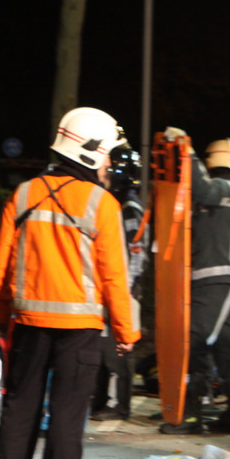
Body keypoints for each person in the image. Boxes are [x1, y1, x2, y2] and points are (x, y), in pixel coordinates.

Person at [0, 107, 139, 459]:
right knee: (67, 418)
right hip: (80, 331)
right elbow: (114, 276)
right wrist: (126, 331)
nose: (109, 163)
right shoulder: (102, 204)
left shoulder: (22, 195)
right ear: (92, 151)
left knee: (19, 411)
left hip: (28, 325)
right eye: (107, 154)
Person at [160, 134, 230, 435]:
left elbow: (199, 186)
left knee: (193, 345)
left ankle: (189, 416)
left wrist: (185, 150)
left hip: (212, 282)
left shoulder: (222, 189)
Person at [91, 145, 149, 421]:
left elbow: (136, 255)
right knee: (106, 349)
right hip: (116, 288)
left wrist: (122, 290)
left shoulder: (129, 209)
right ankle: (104, 400)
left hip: (123, 290)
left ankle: (118, 405)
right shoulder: (118, 205)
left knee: (118, 350)